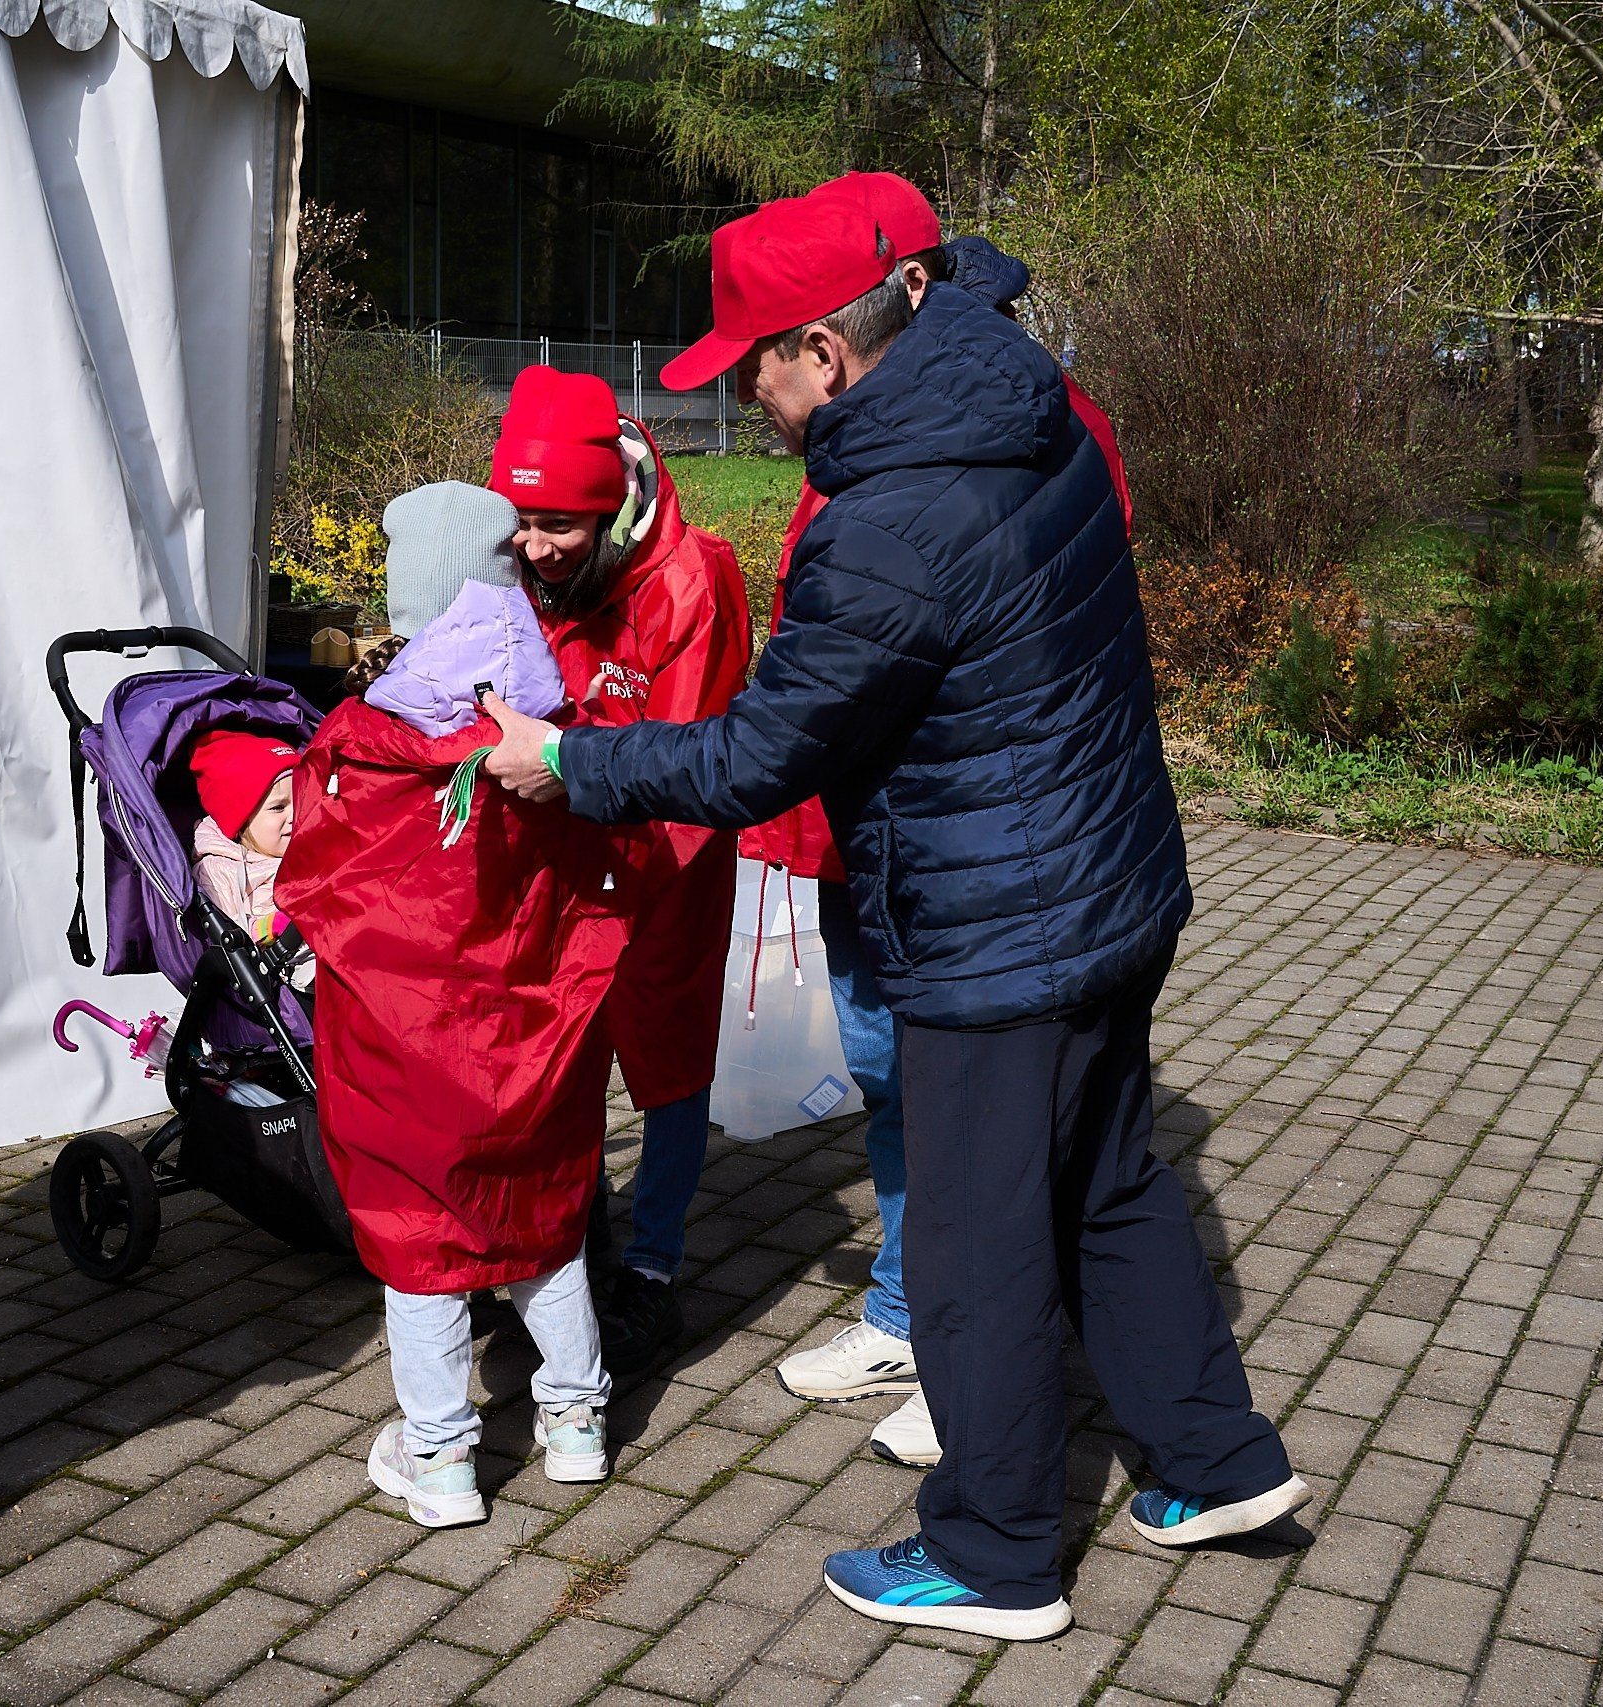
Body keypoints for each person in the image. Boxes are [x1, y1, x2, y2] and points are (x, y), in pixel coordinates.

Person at [478, 190, 1306, 1642]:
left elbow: (753, 756)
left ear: (829, 349)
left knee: (985, 1248)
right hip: (1110, 879)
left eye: (760, 360)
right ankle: (1217, 1461)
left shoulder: (894, 514)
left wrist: (566, 759)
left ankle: (995, 1553)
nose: (749, 388)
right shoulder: (1030, 398)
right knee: (1108, 1179)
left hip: (1000, 924)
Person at [765, 194, 1140, 1476]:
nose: (760, 394)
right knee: (890, 1089)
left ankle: (984, 1369)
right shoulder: (897, 421)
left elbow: (1004, 646)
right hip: (876, 843)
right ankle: (913, 1316)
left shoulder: (1014, 421)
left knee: (993, 1145)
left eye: (769, 356)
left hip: (980, 862)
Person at [278, 481, 629, 1529]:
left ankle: (439, 1459)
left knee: (420, 1243)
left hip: (405, 1045)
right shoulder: (553, 728)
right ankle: (574, 1426)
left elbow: (319, 872)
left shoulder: (363, 741)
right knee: (545, 1223)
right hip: (534, 1031)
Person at [485, 367, 751, 1376]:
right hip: (559, 844)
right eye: (519, 519)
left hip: (665, 854)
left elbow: (695, 753)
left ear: (606, 511)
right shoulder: (521, 564)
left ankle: (650, 1269)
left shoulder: (692, 579)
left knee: (666, 1056)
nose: (534, 548)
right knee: (559, 1047)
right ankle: (564, 1243)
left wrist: (584, 787)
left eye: (556, 525)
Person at [189, 732, 312, 989]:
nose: (295, 815)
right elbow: (235, 937)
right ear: (242, 819)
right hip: (296, 964)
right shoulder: (219, 869)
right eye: (278, 808)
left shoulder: (315, 843)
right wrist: (275, 926)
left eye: (301, 800)